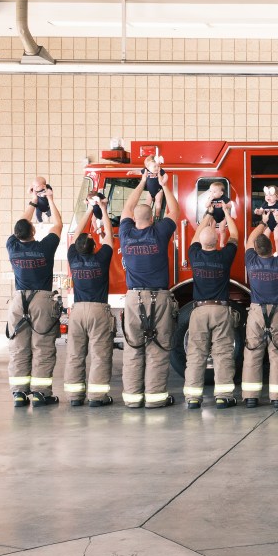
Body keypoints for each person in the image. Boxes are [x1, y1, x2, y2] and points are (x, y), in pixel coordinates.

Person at [119, 169, 180, 408]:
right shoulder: (159, 232)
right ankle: (155, 399)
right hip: (159, 299)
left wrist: (143, 181)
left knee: (133, 349)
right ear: (153, 220)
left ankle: (133, 399)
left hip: (133, 300)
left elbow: (127, 207)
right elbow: (175, 212)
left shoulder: (125, 233)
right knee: (158, 348)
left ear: (134, 220)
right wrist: (164, 185)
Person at [6, 188, 64, 407]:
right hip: (41, 301)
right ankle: (41, 394)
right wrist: (49, 198)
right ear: (33, 231)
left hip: (18, 301)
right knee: (43, 347)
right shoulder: (44, 248)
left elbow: (21, 222)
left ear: (17, 234)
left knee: (19, 348)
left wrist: (33, 202)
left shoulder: (11, 246)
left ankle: (19, 394)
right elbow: (57, 225)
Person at [183, 204, 239, 410]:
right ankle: (223, 397)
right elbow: (234, 235)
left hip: (199, 310)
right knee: (223, 353)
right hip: (221, 310)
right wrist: (226, 212)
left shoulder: (194, 254)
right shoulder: (224, 257)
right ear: (217, 243)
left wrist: (208, 214)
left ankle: (193, 398)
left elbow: (196, 237)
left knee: (196, 353)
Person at [63, 198, 115, 407]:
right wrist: (102, 209)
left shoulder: (73, 258)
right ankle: (97, 398)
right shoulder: (101, 258)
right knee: (100, 355)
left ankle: (75, 397)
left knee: (75, 354)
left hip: (77, 312)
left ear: (77, 248)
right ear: (95, 247)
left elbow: (76, 235)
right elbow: (110, 237)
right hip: (98, 311)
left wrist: (87, 211)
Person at [241, 220, 278, 409]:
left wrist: (264, 222)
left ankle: (250, 397)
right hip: (277, 312)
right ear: (273, 248)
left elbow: (249, 240)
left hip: (256, 312)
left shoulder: (251, 260)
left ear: (256, 250)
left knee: (253, 354)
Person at [255, 186, 278, 251]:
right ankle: (267, 251)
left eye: (271, 195)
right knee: (265, 238)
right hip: (267, 224)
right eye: (266, 195)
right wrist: (257, 211)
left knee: (277, 238)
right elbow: (261, 211)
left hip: (276, 224)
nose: (268, 197)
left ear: (277, 197)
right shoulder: (265, 204)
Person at [206, 181, 237, 249]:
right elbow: (206, 205)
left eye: (214, 192)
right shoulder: (211, 199)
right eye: (210, 191)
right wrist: (210, 200)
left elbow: (230, 205)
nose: (211, 193)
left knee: (222, 229)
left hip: (223, 217)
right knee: (212, 229)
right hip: (214, 216)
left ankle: (222, 242)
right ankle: (213, 240)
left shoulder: (224, 198)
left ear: (221, 193)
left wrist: (225, 205)